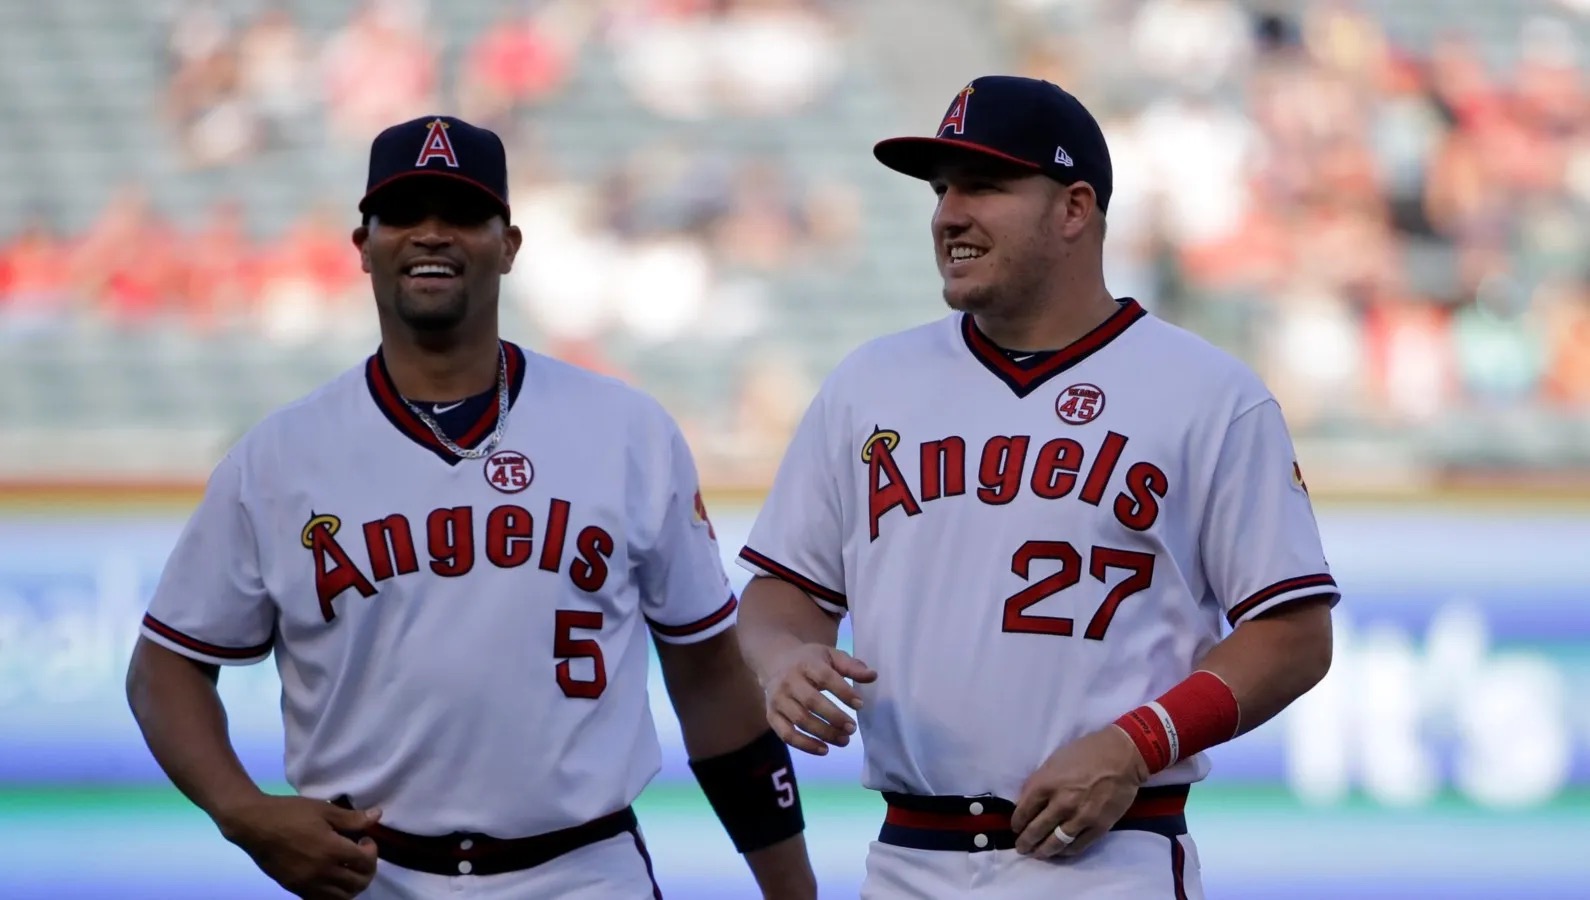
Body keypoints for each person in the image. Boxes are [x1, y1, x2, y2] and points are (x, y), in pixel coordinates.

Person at [125, 114, 817, 900]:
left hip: (583, 870)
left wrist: (791, 891)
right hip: (368, 874)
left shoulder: (627, 431)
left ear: (509, 245)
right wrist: (242, 811)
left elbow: (711, 676)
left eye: (461, 214)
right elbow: (164, 666)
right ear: (363, 245)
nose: (431, 234)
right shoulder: (280, 457)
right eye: (403, 215)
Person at [735, 76, 1339, 899]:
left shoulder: (1207, 393)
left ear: (1074, 208)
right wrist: (783, 659)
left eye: (984, 185)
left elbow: (1294, 634)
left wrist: (1138, 743)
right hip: (909, 860)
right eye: (942, 190)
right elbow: (782, 593)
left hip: (1108, 859)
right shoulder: (868, 384)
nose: (949, 215)